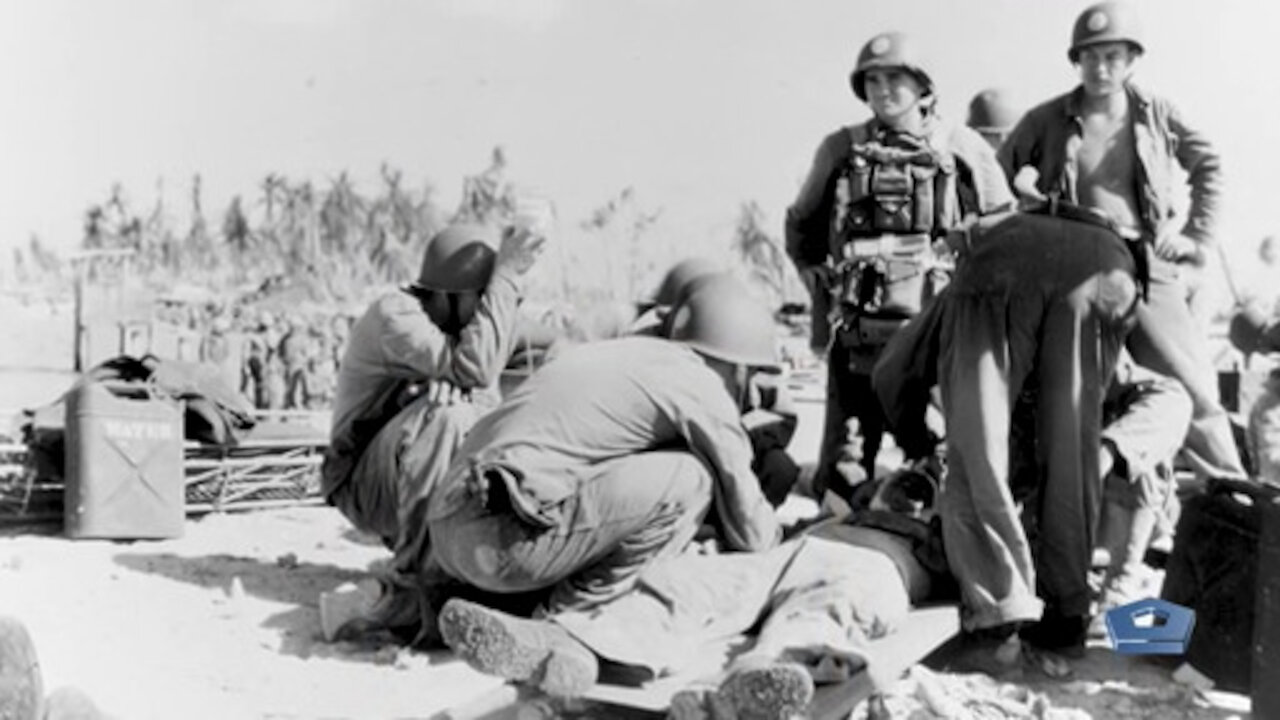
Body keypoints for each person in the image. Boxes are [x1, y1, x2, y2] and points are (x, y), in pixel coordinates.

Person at [406, 276, 784, 638]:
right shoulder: (700, 382)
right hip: (503, 537)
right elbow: (751, 531)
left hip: (446, 535)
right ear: (739, 368)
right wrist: (782, 537)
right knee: (693, 479)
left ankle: (481, 602)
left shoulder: (620, 355)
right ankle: (568, 622)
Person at [437, 466, 952, 717]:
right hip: (787, 556)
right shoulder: (843, 512)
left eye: (918, 493)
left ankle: (760, 677)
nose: (906, 497)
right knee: (685, 586)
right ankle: (568, 646)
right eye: (900, 486)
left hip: (873, 569)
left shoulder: (938, 534)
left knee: (823, 613)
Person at [999, 1, 1246, 483]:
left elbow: (1209, 165)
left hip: (1145, 266)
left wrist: (1195, 238)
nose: (1101, 67)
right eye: (1090, 56)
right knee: (1065, 392)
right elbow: (994, 174)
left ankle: (1237, 504)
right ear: (1077, 61)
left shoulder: (1157, 113)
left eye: (1113, 55)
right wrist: (1026, 203)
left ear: (1133, 60)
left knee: (1195, 391)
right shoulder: (1046, 119)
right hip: (1074, 270)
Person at [785, 30, 1013, 505]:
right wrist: (811, 267)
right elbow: (801, 219)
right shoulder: (840, 149)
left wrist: (965, 257)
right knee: (845, 458)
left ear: (922, 84)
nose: (883, 89)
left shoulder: (961, 145)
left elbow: (1004, 220)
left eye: (895, 78)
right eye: (872, 80)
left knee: (949, 449)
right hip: (858, 327)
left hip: (937, 331)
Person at [320, 221, 542, 549]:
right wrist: (505, 279)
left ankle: (449, 554)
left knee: (486, 416)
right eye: (482, 299)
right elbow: (476, 369)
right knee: (447, 415)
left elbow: (488, 398)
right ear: (446, 294)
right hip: (361, 485)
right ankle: (414, 577)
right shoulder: (395, 315)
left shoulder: (460, 334)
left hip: (397, 471)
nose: (487, 314)